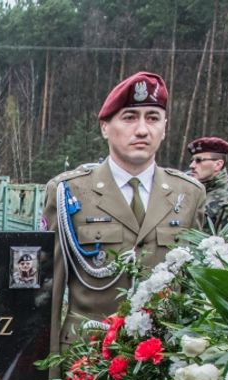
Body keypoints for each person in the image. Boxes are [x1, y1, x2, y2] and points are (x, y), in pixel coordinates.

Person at [43, 71, 205, 351]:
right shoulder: (68, 191)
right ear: (105, 127)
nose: (142, 130)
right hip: (88, 358)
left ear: (165, 127)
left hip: (162, 359)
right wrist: (47, 376)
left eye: (152, 118)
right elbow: (50, 293)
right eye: (129, 117)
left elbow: (195, 289)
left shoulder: (188, 194)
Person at [187, 136, 228, 231]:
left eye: (198, 160)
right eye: (192, 161)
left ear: (218, 165)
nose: (192, 165)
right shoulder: (189, 193)